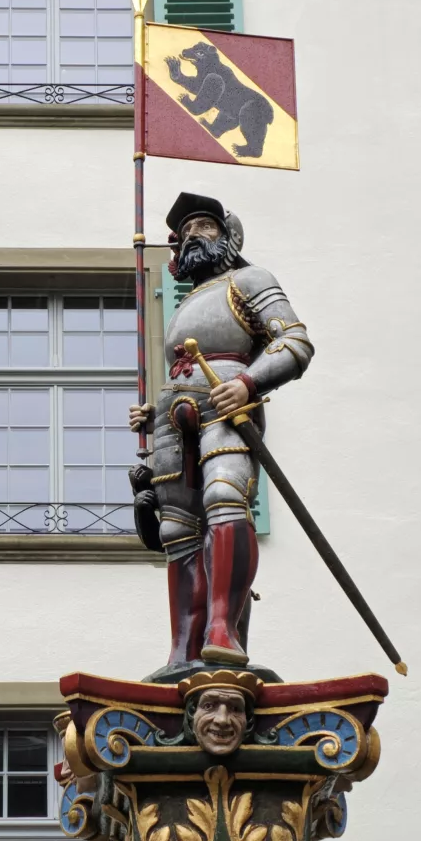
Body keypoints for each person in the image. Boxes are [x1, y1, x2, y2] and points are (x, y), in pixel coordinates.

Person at [130, 192, 314, 669]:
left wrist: (248, 381)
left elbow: (294, 341)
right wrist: (153, 413)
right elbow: (183, 369)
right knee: (177, 529)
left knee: (225, 499)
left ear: (228, 235)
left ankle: (222, 632)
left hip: (226, 405)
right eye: (186, 229)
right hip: (175, 419)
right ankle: (182, 652)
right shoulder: (186, 301)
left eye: (204, 226)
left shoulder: (250, 280)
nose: (193, 234)